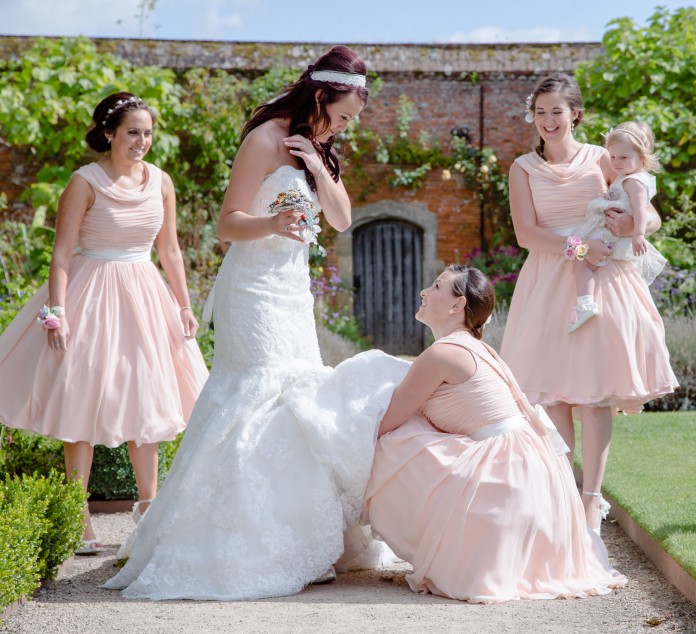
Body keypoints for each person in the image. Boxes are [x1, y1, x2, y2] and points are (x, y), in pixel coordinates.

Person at [104, 46, 403, 601]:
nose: (344, 128)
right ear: (320, 96)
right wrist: (272, 221)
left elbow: (341, 219)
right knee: (254, 398)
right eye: (341, 116)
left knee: (298, 404)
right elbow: (227, 225)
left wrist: (317, 163)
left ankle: (299, 541)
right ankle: (234, 542)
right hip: (253, 292)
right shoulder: (265, 138)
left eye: (350, 122)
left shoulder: (317, 147)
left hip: (292, 295)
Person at [0, 92, 208, 555]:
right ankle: (78, 519)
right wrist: (58, 312)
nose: (141, 141)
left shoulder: (162, 182)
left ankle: (149, 511)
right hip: (90, 292)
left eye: (148, 132)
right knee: (81, 399)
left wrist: (184, 304)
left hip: (145, 296)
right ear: (110, 133)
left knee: (148, 400)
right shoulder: (84, 182)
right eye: (132, 132)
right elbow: (61, 252)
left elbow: (170, 250)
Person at [363, 265, 625, 603]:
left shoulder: (442, 353)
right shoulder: (476, 347)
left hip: (508, 475)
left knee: (392, 442)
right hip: (535, 472)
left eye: (437, 286)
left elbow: (386, 422)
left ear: (457, 306)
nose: (424, 292)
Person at [500, 75, 679, 535]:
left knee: (596, 394)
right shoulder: (522, 168)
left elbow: (648, 209)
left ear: (574, 114)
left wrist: (631, 227)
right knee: (554, 395)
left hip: (603, 282)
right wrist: (578, 247)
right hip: (549, 279)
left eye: (557, 111)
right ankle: (561, 494)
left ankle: (592, 502)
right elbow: (526, 234)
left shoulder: (602, 158)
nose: (548, 121)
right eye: (540, 112)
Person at [566, 121, 668, 333]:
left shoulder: (634, 182)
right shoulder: (630, 177)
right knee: (583, 261)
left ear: (641, 158)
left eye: (623, 158)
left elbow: (642, 210)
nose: (615, 162)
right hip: (611, 230)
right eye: (612, 157)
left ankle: (585, 304)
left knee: (582, 261)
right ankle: (586, 303)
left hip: (610, 234)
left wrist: (638, 234)